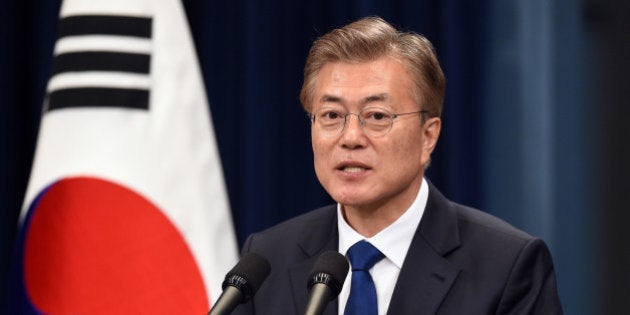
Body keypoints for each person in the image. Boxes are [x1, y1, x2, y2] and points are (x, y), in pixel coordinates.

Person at [232, 16, 562, 314]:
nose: (350, 138)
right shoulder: (266, 260)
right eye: (332, 115)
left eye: (377, 116)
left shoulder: (506, 266)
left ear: (428, 136)